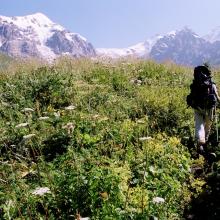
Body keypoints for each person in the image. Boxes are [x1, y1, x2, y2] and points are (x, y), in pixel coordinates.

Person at [187, 65, 220, 159]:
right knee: (208, 126)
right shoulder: (212, 85)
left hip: (197, 107)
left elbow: (192, 96)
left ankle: (200, 144)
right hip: (209, 109)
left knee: (199, 125)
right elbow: (217, 98)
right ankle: (205, 143)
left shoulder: (195, 85)